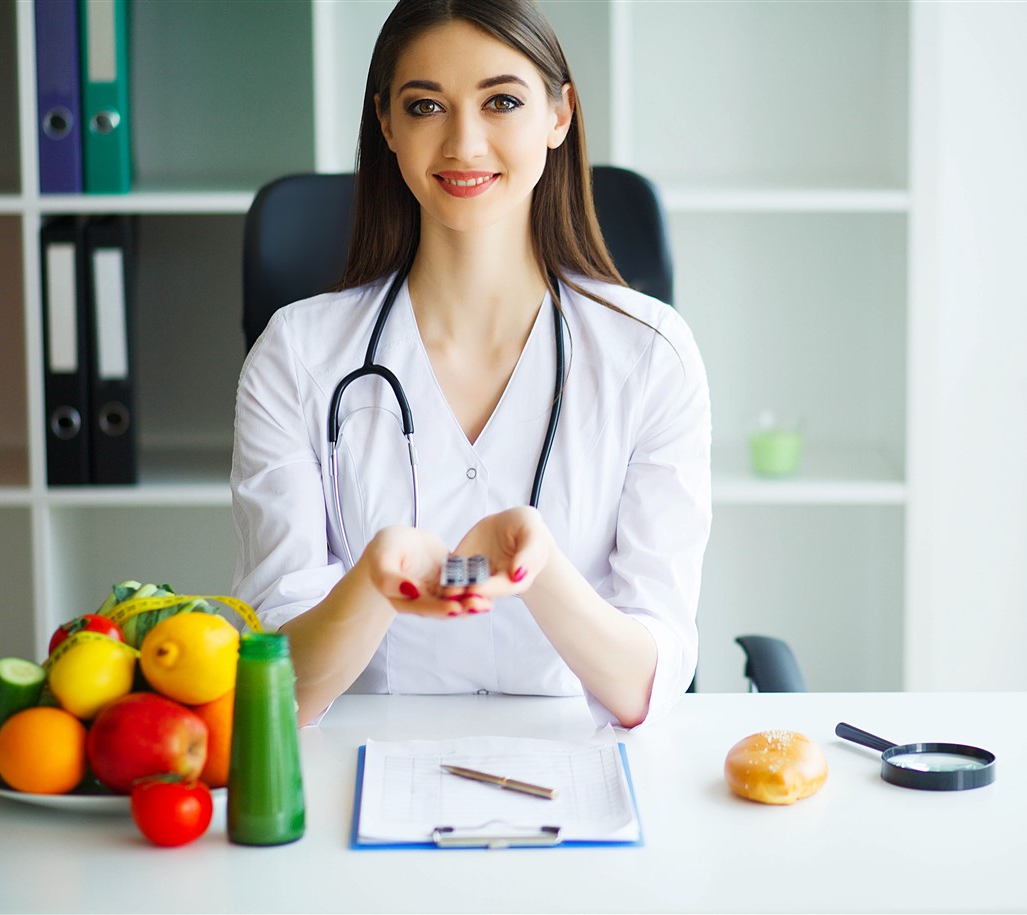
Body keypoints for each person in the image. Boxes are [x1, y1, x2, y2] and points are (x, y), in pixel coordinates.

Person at [231, 0, 711, 729]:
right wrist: (373, 580)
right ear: (387, 124)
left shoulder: (652, 355)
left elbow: (650, 680)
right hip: (352, 773)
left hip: (580, 769)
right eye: (426, 105)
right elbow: (281, 689)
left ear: (559, 116)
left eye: (502, 101)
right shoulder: (295, 356)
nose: (463, 141)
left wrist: (538, 569)